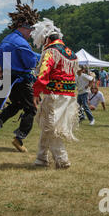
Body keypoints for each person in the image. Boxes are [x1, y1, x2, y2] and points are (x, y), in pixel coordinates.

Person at [0, 0, 40, 153]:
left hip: (10, 78)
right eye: (30, 30)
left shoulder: (6, 39)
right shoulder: (22, 43)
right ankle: (19, 138)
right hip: (22, 79)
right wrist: (39, 56)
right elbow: (31, 63)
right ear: (22, 26)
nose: (31, 33)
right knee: (31, 109)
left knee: (17, 104)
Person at [32, 18, 79, 169]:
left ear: (46, 39)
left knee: (52, 127)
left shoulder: (51, 51)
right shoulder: (70, 52)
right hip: (69, 95)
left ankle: (62, 160)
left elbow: (43, 73)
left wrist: (36, 92)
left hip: (54, 95)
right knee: (47, 124)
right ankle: (41, 157)